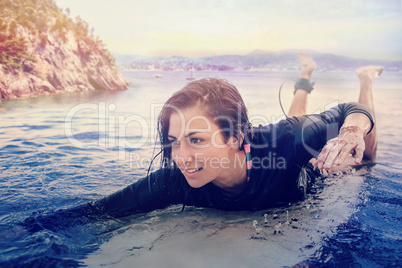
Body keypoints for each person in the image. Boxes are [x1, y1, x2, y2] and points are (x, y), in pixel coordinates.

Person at [23, 53, 382, 230]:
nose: (180, 156)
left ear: (235, 137)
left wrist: (352, 132)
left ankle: (365, 77)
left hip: (307, 159)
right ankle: (306, 75)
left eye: (195, 140)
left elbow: (352, 109)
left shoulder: (284, 142)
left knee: (366, 156)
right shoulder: (176, 181)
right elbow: (95, 213)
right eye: (174, 141)